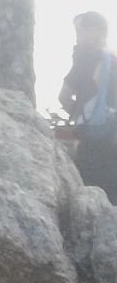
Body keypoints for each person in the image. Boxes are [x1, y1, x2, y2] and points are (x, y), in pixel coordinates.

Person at [59, 11, 117, 202]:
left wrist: (82, 119)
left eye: (80, 31)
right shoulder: (114, 59)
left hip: (91, 143)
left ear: (94, 31)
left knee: (90, 199)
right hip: (113, 142)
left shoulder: (87, 58)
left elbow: (64, 97)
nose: (77, 36)